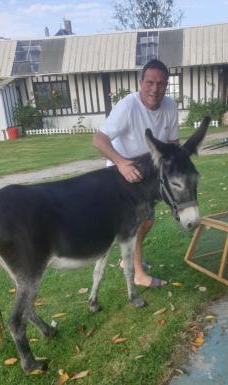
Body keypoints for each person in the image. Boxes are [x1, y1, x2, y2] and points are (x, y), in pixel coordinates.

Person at [92, 59, 179, 288]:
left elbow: (173, 142)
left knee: (147, 222)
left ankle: (127, 260)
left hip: (147, 174)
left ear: (166, 85)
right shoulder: (127, 106)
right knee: (139, 223)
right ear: (141, 83)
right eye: (150, 82)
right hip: (122, 173)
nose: (155, 89)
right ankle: (137, 274)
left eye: (160, 84)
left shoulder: (170, 106)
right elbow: (98, 140)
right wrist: (121, 163)